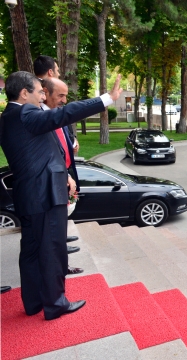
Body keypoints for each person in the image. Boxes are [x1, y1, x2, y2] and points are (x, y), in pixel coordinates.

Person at [0, 71, 122, 320]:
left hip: (28, 195)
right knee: (53, 250)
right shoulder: (26, 113)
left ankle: (33, 303)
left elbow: (39, 151)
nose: (42, 96)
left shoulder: (8, 117)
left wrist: (63, 172)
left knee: (31, 251)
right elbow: (64, 114)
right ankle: (56, 304)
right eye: (38, 91)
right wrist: (105, 99)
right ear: (24, 93)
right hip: (46, 195)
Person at [42, 78, 84, 276]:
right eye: (60, 95)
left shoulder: (56, 117)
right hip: (52, 181)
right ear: (45, 92)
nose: (64, 100)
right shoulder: (42, 118)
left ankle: (62, 266)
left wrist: (71, 144)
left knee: (60, 229)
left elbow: (61, 144)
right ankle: (58, 272)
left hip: (64, 175)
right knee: (53, 233)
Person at [34, 55, 79, 155]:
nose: (58, 74)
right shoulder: (34, 101)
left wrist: (72, 139)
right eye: (57, 71)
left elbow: (62, 116)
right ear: (50, 72)